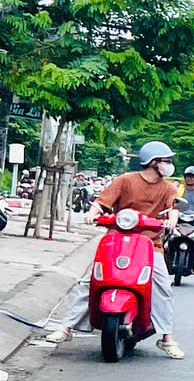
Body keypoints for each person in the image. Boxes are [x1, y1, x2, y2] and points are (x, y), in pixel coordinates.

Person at [46, 139, 184, 356]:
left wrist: (171, 220)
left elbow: (172, 208)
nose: (169, 165)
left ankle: (167, 338)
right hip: (117, 239)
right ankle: (66, 327)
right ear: (153, 162)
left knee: (162, 286)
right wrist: (92, 214)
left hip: (150, 244)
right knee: (90, 280)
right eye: (166, 161)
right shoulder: (126, 180)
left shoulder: (168, 188)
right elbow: (102, 202)